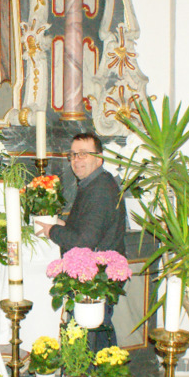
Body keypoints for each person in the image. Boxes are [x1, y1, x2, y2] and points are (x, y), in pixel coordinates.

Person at [36, 132, 126, 349]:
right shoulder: (93, 183)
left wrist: (52, 231)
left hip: (97, 280)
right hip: (95, 277)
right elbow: (90, 228)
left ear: (99, 158)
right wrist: (61, 223)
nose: (77, 160)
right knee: (98, 336)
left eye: (84, 154)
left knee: (92, 339)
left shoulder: (100, 189)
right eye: (73, 155)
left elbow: (85, 241)